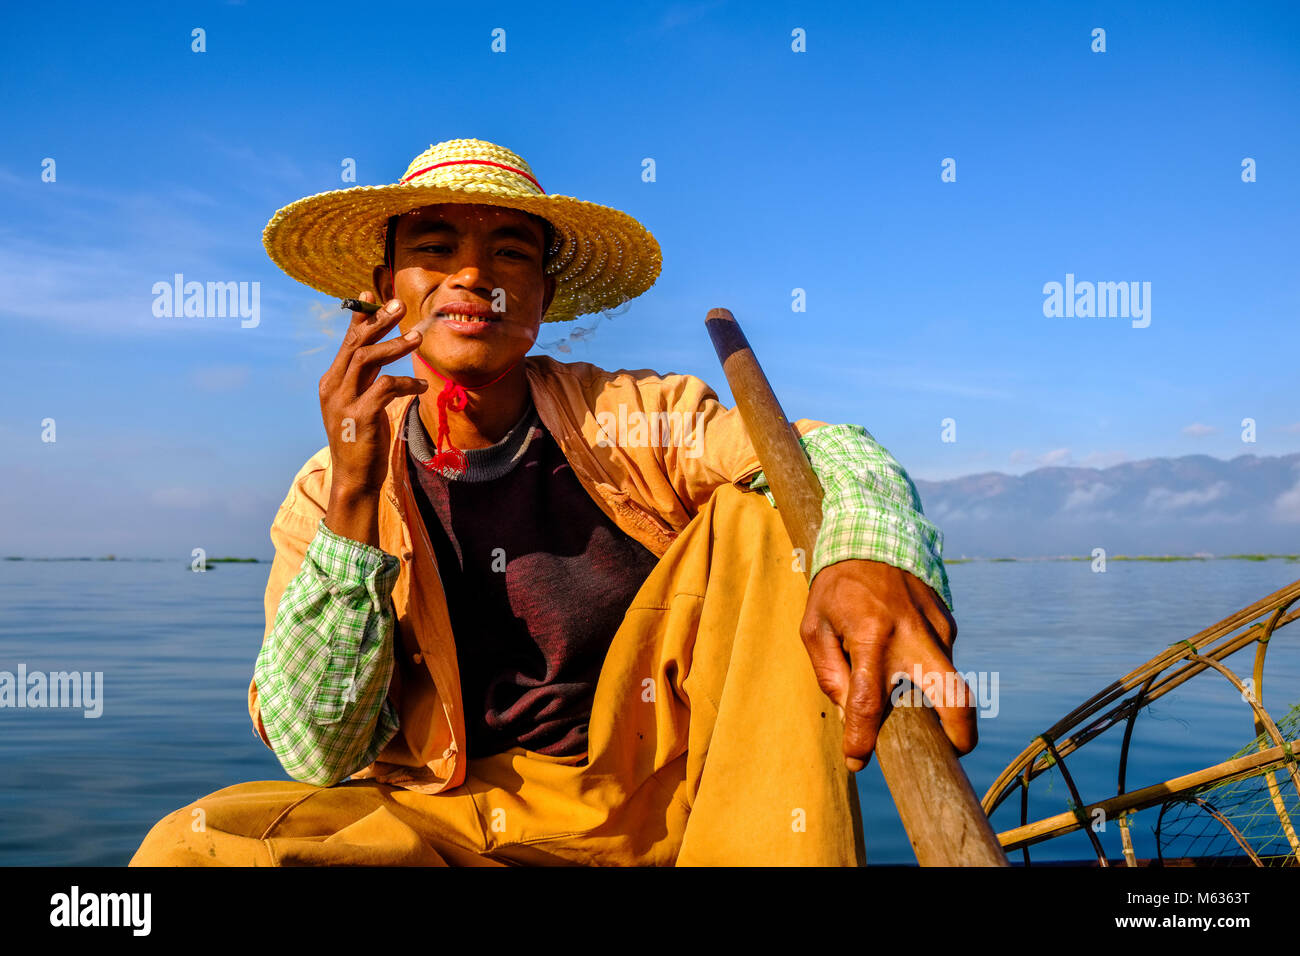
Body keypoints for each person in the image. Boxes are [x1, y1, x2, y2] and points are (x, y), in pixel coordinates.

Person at [129, 138, 972, 866]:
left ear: (541, 300)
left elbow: (820, 455)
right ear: (384, 288)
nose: (472, 274)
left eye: (511, 254)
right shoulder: (323, 493)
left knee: (763, 518)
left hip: (648, 810)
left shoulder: (630, 419)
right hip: (442, 820)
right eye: (435, 246)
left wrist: (861, 555)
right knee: (192, 845)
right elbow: (320, 752)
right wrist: (356, 491)